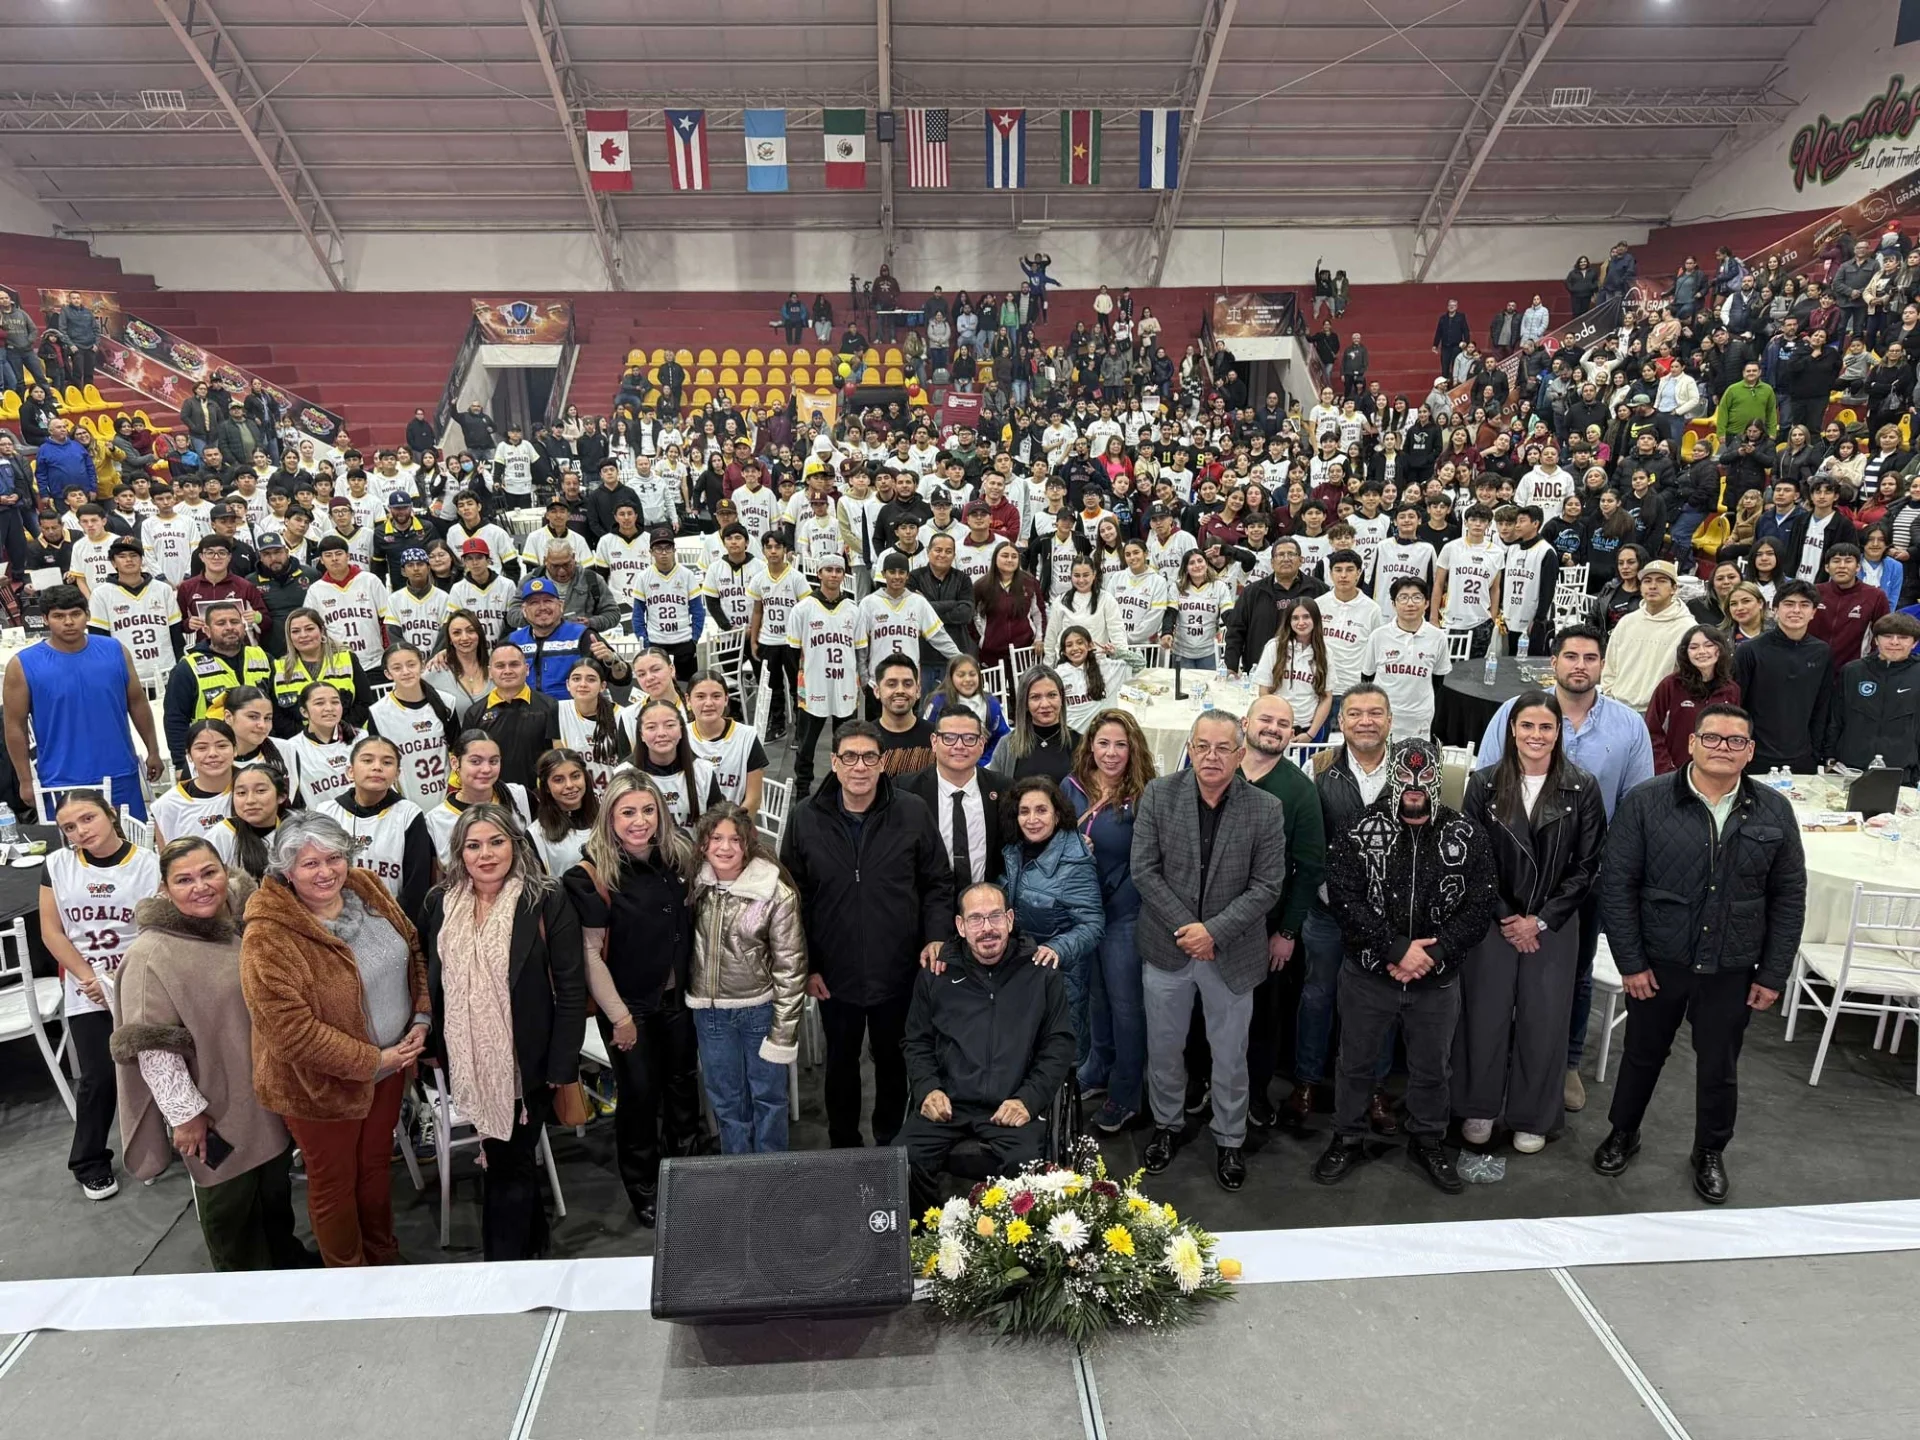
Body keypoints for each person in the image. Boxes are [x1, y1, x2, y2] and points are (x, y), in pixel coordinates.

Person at [1593, 705, 1806, 1204]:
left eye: (1735, 741)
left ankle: (1710, 1150)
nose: (1722, 748)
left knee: (1719, 1066)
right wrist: (1631, 962)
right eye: (1712, 738)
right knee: (1641, 1055)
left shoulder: (1774, 811)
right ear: (1692, 743)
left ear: (1750, 752)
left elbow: (1789, 896)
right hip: (1657, 964)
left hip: (1732, 967)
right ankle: (1623, 1131)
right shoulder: (1647, 802)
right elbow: (1617, 885)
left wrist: (1773, 973)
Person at [110, 839, 312, 1269]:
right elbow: (153, 1049)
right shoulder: (151, 956)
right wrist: (186, 1116)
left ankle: (288, 1274)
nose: (200, 887)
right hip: (214, 1110)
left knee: (275, 1198)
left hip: (263, 1096)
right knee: (231, 1212)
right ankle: (242, 1292)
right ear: (164, 890)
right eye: (184, 880)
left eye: (208, 873)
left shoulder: (242, 924)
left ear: (225, 871)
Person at [240, 811, 429, 1266]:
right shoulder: (268, 934)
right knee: (334, 1184)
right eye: (310, 864)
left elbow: (412, 948)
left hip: (391, 1068)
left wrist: (421, 1017)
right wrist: (375, 1060)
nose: (326, 872)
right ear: (286, 870)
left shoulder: (366, 886)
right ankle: (348, 1277)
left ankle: (383, 1258)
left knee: (374, 1168)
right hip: (320, 1087)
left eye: (334, 858)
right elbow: (291, 1033)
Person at [1315, 739, 1497, 1193]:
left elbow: (1480, 905)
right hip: (1369, 975)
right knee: (1355, 1063)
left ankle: (1428, 1139)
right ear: (1392, 776)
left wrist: (1433, 954)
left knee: (1433, 1069)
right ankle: (1347, 1136)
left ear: (1438, 778)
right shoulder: (1359, 829)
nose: (1414, 786)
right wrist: (1396, 949)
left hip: (1436, 979)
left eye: (1425, 776)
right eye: (1404, 775)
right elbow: (1344, 898)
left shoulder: (1467, 834)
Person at [418, 803, 583, 1259]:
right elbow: (431, 977)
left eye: (496, 842)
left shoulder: (544, 898)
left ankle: (503, 1267)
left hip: (528, 1063)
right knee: (512, 1162)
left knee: (508, 1164)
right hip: (467, 1062)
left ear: (516, 844)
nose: (486, 854)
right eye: (473, 846)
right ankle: (533, 1250)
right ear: (459, 852)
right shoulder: (440, 903)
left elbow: (571, 986)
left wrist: (562, 1063)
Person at [1133, 713, 1288, 1191]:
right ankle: (1166, 1125)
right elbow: (1143, 871)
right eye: (1202, 746)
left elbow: (1268, 886)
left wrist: (1213, 933)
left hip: (1233, 954)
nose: (1211, 757)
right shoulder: (1159, 794)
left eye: (1223, 748)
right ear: (1190, 749)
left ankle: (1229, 1137)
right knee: (1164, 1048)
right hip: (1168, 947)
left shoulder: (1266, 808)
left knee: (1231, 1055)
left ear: (1240, 754)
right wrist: (1190, 929)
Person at [780, 720, 952, 1149]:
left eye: (869, 757)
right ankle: (844, 1146)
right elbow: (792, 899)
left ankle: (891, 1144)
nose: (860, 766)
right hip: (833, 973)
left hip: (899, 969)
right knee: (840, 1064)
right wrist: (808, 966)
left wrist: (935, 938)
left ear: (882, 763)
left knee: (895, 1061)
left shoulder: (912, 812)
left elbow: (937, 882)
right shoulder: (805, 818)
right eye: (850, 757)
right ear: (834, 763)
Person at [1455, 693, 1604, 1153]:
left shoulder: (1583, 787)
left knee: (1545, 1021)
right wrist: (1506, 915)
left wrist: (1540, 920)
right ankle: (1478, 1107)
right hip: (1491, 921)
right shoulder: (1483, 784)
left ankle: (1533, 1116)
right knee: (1483, 1016)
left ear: (1558, 733)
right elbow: (1471, 858)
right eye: (1527, 726)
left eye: (1545, 727)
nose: (1535, 736)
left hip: (1554, 924)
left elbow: (1588, 865)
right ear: (1512, 729)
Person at [564, 772, 703, 1227]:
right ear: (610, 818)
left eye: (648, 810)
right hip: (629, 1008)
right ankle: (645, 1186)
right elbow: (590, 955)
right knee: (640, 1096)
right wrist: (620, 1017)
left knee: (682, 1086)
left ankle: (688, 1174)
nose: (639, 821)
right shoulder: (591, 875)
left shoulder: (678, 856)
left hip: (678, 998)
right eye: (627, 812)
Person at [897, 880, 1077, 1213]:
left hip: (1012, 1104)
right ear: (960, 926)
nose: (987, 928)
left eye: (995, 917)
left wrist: (1028, 1099)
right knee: (901, 1163)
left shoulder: (1041, 973)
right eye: (976, 919)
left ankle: (1005, 1242)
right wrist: (927, 1089)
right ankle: (933, 1235)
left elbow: (1059, 1045)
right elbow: (917, 1041)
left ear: (1010, 920)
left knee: (1028, 1172)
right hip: (950, 1102)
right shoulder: (936, 973)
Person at [40, 792, 161, 1201]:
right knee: (99, 1076)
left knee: (160, 1062)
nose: (80, 831)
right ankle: (89, 1161)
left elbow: (158, 930)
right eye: (69, 827)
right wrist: (89, 977)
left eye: (88, 818)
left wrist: (118, 977)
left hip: (139, 978)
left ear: (110, 815)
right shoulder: (57, 865)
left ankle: (159, 1146)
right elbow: (51, 931)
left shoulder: (149, 865)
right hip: (86, 985)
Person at [1231, 695, 1328, 1134]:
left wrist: (1288, 932)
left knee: (1263, 1017)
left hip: (1266, 927)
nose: (1273, 728)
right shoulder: (1218, 771)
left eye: (1284, 724)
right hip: (1209, 925)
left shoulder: (1299, 790)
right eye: (1266, 719)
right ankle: (1201, 1083)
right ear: (1245, 722)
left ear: (1293, 733)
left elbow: (1309, 867)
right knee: (1200, 1013)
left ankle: (1255, 1093)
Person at [686, 803, 807, 1154]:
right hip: (710, 1014)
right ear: (703, 843)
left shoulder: (773, 893)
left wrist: (783, 1034)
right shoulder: (695, 886)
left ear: (747, 843)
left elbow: (791, 967)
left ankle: (770, 1173)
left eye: (734, 839)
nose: (725, 847)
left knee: (769, 1097)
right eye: (716, 838)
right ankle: (738, 1171)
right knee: (726, 1100)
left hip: (759, 1013)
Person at [7, 583, 164, 822]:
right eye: (59, 616)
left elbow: (137, 703)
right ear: (45, 619)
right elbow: (14, 727)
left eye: (75, 614)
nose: (68, 622)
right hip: (61, 781)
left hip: (120, 772)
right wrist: (25, 780)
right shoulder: (22, 665)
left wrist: (153, 750)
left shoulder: (116, 651)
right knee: (74, 844)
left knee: (130, 841)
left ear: (88, 615)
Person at [999, 774, 1105, 1041]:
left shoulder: (1075, 861)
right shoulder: (1012, 851)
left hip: (1060, 980)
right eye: (1024, 811)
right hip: (1017, 974)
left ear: (1057, 815)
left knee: (1058, 1052)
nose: (1032, 819)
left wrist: (1056, 949)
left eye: (1041, 810)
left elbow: (1092, 924)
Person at [1732, 579, 1832, 772]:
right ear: (1775, 609)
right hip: (1755, 756)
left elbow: (1822, 706)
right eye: (1789, 604)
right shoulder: (1750, 650)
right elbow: (1737, 705)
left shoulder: (1822, 652)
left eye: (1804, 605)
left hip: (1803, 757)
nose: (1796, 610)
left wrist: (1816, 752)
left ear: (1813, 612)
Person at [1824, 612, 1920, 780]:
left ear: (1915, 643)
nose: (1894, 642)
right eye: (1887, 636)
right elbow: (1836, 718)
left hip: (1901, 771)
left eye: (1903, 637)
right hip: (1849, 768)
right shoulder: (1853, 671)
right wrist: (1829, 756)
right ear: (1876, 640)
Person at [462, 641, 562, 794]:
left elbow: (560, 758)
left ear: (527, 669)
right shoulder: (474, 713)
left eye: (514, 664)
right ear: (490, 672)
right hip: (492, 797)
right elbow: (467, 761)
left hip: (541, 797)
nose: (507, 671)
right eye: (500, 666)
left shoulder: (551, 707)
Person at [1644, 627, 1742, 774]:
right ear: (1686, 653)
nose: (1702, 651)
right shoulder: (1670, 686)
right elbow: (1652, 731)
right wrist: (1667, 769)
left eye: (1709, 645)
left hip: (1715, 773)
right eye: (1694, 647)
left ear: (1720, 649)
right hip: (1675, 772)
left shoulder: (1731, 689)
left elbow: (1734, 733)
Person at [1596, 558, 1688, 709]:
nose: (1653, 586)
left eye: (1661, 581)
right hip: (1618, 706)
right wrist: (1610, 695)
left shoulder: (1687, 628)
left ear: (1674, 588)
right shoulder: (1627, 622)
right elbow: (1610, 665)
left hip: (1658, 712)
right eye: (1647, 581)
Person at [987, 663, 1079, 783]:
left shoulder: (1080, 743)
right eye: (1035, 697)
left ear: (1061, 698)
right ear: (1025, 703)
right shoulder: (1007, 745)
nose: (1045, 704)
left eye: (1052, 695)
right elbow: (994, 788)